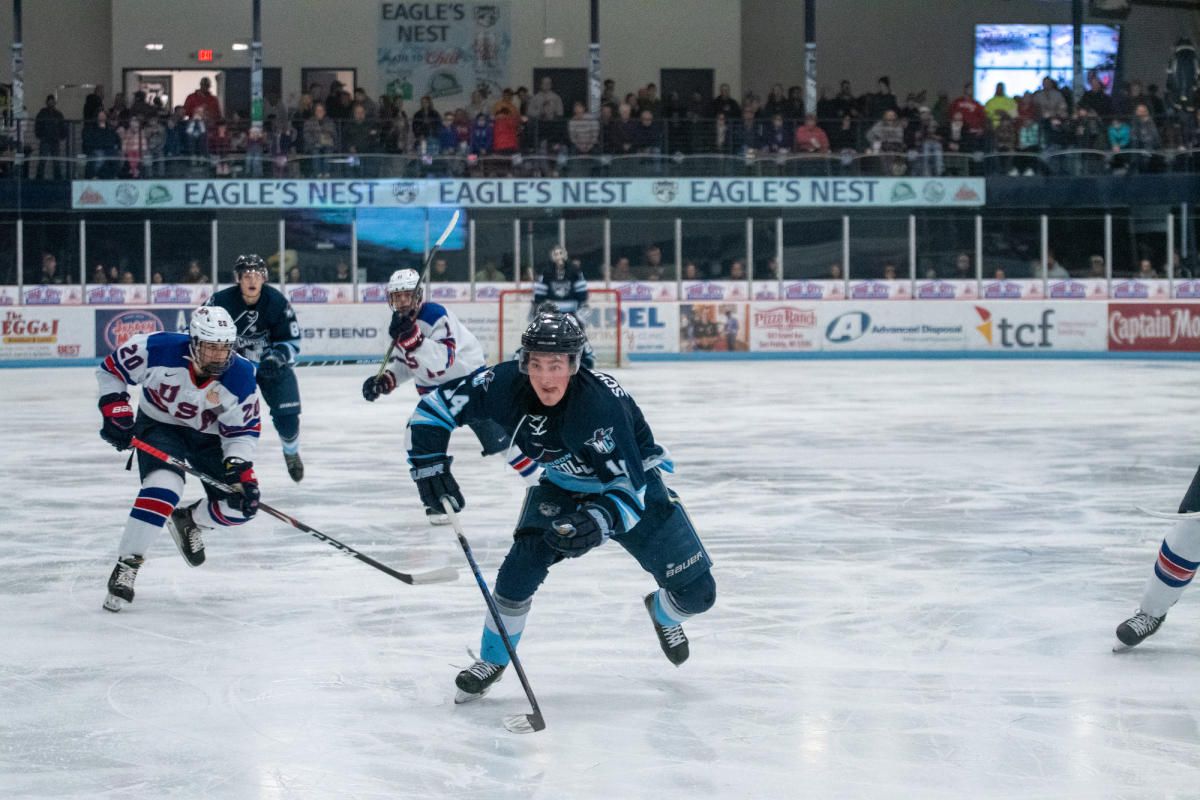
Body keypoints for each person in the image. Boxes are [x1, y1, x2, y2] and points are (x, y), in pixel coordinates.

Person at [405, 312, 716, 702]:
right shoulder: (502, 384)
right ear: (524, 362)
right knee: (518, 571)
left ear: (574, 363)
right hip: (561, 486)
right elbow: (434, 408)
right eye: (536, 365)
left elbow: (629, 489)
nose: (546, 378)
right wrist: (427, 464)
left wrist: (597, 521)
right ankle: (494, 659)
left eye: (556, 366)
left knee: (699, 595)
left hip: (632, 490)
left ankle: (663, 612)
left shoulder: (600, 407)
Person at [97, 305, 261, 612]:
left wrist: (240, 468)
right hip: (160, 426)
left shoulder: (240, 376)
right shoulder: (158, 348)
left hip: (211, 438)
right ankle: (128, 564)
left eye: (225, 348)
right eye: (211, 347)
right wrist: (115, 409)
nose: (218, 356)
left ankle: (190, 520)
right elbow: (111, 370)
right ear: (194, 342)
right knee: (163, 488)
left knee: (241, 508)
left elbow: (242, 430)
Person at [361, 269, 538, 522]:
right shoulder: (399, 325)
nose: (401, 302)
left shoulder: (435, 316)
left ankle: (540, 483)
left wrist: (413, 339)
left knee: (503, 442)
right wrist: (386, 380)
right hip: (436, 395)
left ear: (418, 295)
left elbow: (443, 360)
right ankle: (440, 500)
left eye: (406, 296)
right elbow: (406, 363)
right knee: (418, 438)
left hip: (468, 386)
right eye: (397, 297)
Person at [206, 255, 305, 482]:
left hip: (272, 366)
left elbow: (292, 340)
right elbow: (198, 331)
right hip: (233, 368)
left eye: (257, 275)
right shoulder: (219, 302)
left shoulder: (277, 302)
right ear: (238, 279)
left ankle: (291, 453)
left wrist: (277, 357)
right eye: (247, 276)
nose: (252, 280)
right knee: (219, 414)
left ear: (264, 279)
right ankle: (225, 459)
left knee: (288, 418)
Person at [531, 244, 595, 369]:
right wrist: (538, 307)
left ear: (565, 255)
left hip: (572, 312)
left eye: (561, 253)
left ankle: (586, 357)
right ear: (552, 257)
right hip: (551, 313)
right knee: (547, 336)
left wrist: (581, 306)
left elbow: (582, 292)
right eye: (556, 254)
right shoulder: (547, 272)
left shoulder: (575, 271)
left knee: (578, 335)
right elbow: (539, 294)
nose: (558, 257)